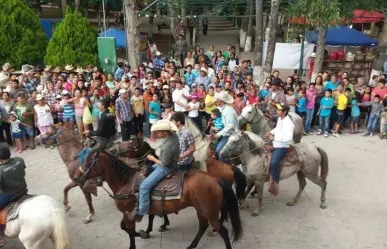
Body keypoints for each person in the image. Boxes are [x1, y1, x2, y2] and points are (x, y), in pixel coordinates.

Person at [131, 119, 180, 222]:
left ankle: (142, 211)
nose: (157, 133)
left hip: (167, 168)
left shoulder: (167, 146)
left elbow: (164, 164)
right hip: (173, 162)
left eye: (159, 131)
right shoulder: (174, 136)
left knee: (144, 186)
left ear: (166, 132)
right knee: (146, 171)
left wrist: (153, 159)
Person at [0, 146, 27, 246]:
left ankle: (0, 236)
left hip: (11, 194)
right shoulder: (19, 160)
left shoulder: (1, 170)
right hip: (23, 189)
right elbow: (23, 170)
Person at [265, 104, 294, 196]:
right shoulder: (280, 119)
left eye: (279, 110)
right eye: (277, 109)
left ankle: (275, 184)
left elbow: (288, 138)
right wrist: (270, 132)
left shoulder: (289, 123)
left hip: (282, 146)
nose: (277, 111)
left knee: (273, 163)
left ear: (284, 112)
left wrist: (274, 138)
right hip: (275, 143)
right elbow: (277, 129)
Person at [213, 91, 238, 161]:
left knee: (219, 151)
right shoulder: (223, 108)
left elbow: (230, 126)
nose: (215, 101)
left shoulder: (228, 111)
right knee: (214, 147)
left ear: (221, 101)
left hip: (230, 134)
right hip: (225, 132)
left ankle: (225, 167)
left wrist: (219, 134)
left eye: (217, 100)